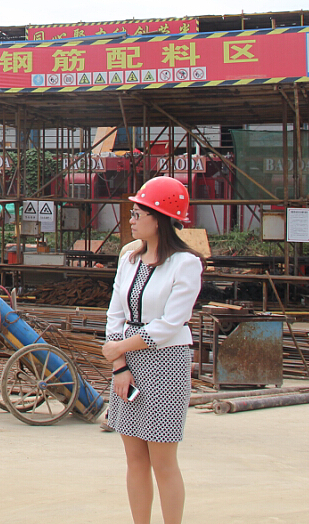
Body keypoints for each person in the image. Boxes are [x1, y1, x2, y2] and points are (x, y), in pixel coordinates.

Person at [102, 176, 202, 524]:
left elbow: (170, 323)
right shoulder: (129, 259)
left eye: (137, 213)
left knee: (163, 461)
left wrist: (118, 348)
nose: (131, 219)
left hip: (167, 362)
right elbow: (115, 313)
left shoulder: (186, 263)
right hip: (128, 362)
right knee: (135, 458)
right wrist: (120, 365)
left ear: (158, 218)